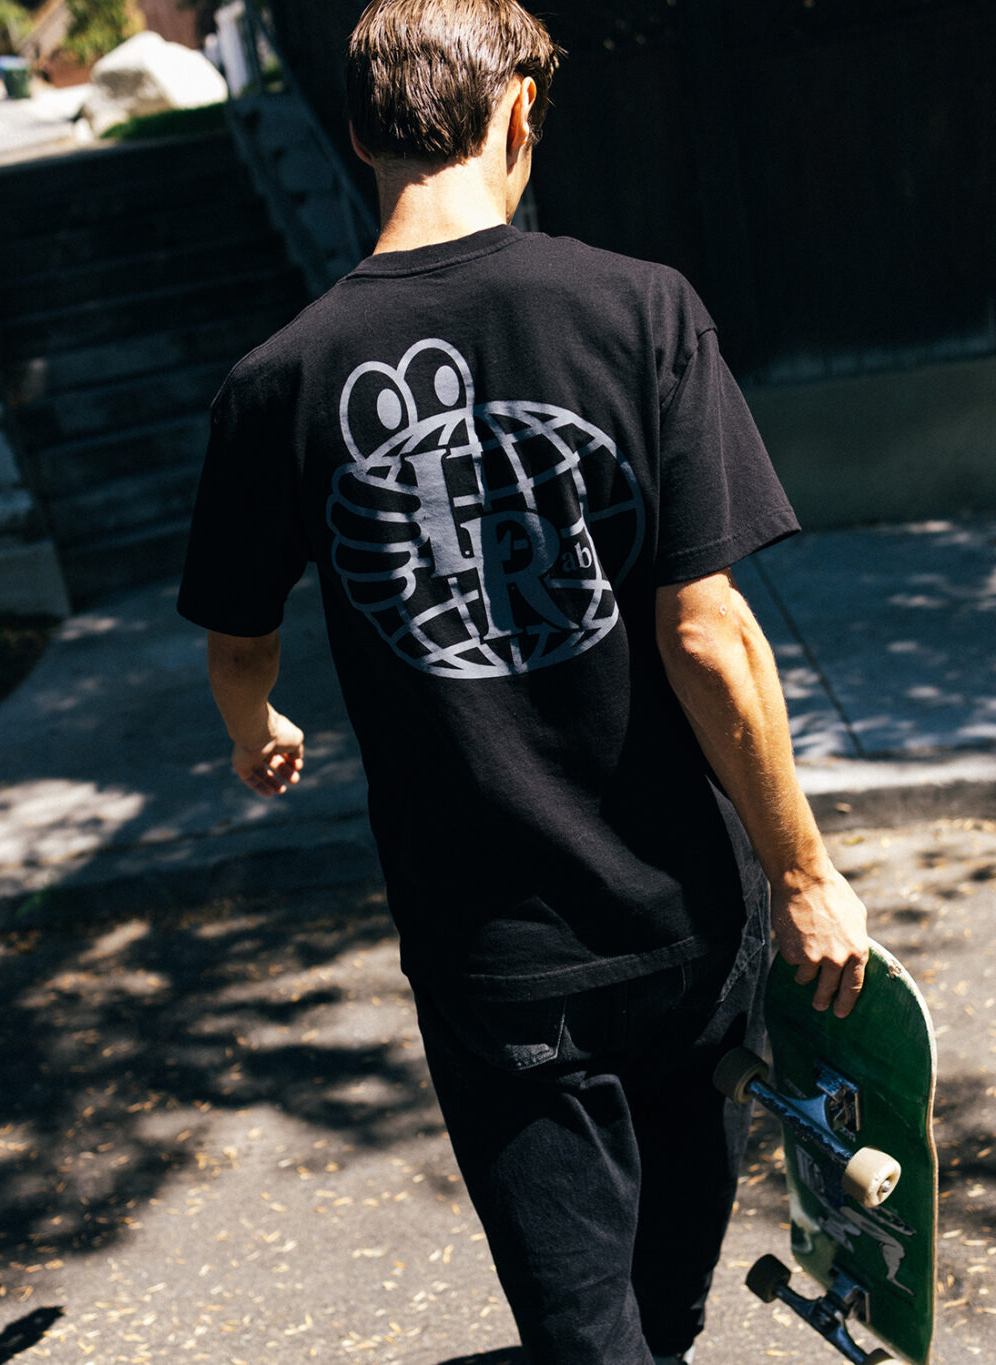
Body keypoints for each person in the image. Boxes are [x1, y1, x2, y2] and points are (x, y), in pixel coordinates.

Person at [177, 2, 870, 1361]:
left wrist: (253, 725)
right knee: (666, 1306)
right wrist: (803, 873)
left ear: (360, 135)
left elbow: (239, 639)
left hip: (495, 959)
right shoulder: (642, 309)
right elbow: (711, 634)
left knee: (586, 1330)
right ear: (522, 111)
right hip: (687, 917)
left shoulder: (277, 383)